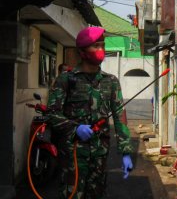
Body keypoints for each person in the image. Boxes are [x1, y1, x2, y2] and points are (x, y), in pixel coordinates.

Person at [47, 26, 133, 198]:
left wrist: (126, 151)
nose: (101, 50)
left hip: (99, 157)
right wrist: (74, 128)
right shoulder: (67, 79)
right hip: (73, 156)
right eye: (96, 46)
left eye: (103, 45)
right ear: (82, 51)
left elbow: (119, 117)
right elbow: (52, 114)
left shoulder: (111, 81)